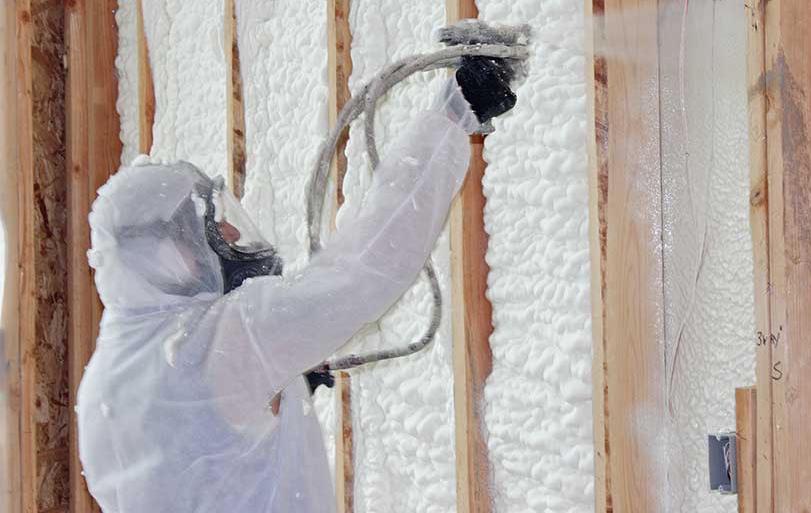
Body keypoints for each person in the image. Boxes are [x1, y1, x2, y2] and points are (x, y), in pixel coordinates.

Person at [76, 58, 520, 512]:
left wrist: (266, 392)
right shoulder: (219, 338)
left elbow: (188, 461)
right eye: (207, 228)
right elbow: (365, 269)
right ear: (163, 256)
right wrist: (452, 115)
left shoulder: (100, 392)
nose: (230, 235)